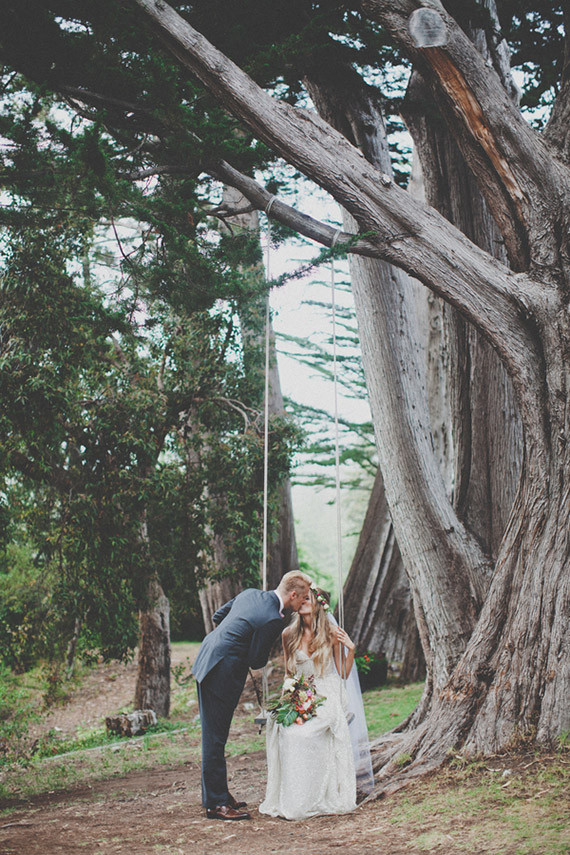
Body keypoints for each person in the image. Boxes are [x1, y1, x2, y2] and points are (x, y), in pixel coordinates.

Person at [192, 570, 312, 821]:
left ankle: (219, 794)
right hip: (221, 670)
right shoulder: (273, 618)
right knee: (214, 737)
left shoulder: (250, 594)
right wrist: (237, 645)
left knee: (215, 734)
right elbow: (257, 660)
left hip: (209, 656)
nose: (303, 603)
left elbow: (218, 616)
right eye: (303, 598)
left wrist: (233, 638)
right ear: (292, 595)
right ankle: (216, 804)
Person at [259, 586, 361, 820]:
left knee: (307, 734)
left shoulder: (332, 633)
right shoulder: (288, 634)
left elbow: (343, 674)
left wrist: (351, 649)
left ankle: (317, 795)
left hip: (327, 691)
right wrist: (289, 697)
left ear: (319, 605)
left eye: (308, 598)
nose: (303, 601)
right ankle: (294, 799)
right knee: (288, 731)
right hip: (300, 691)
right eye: (302, 598)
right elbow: (289, 672)